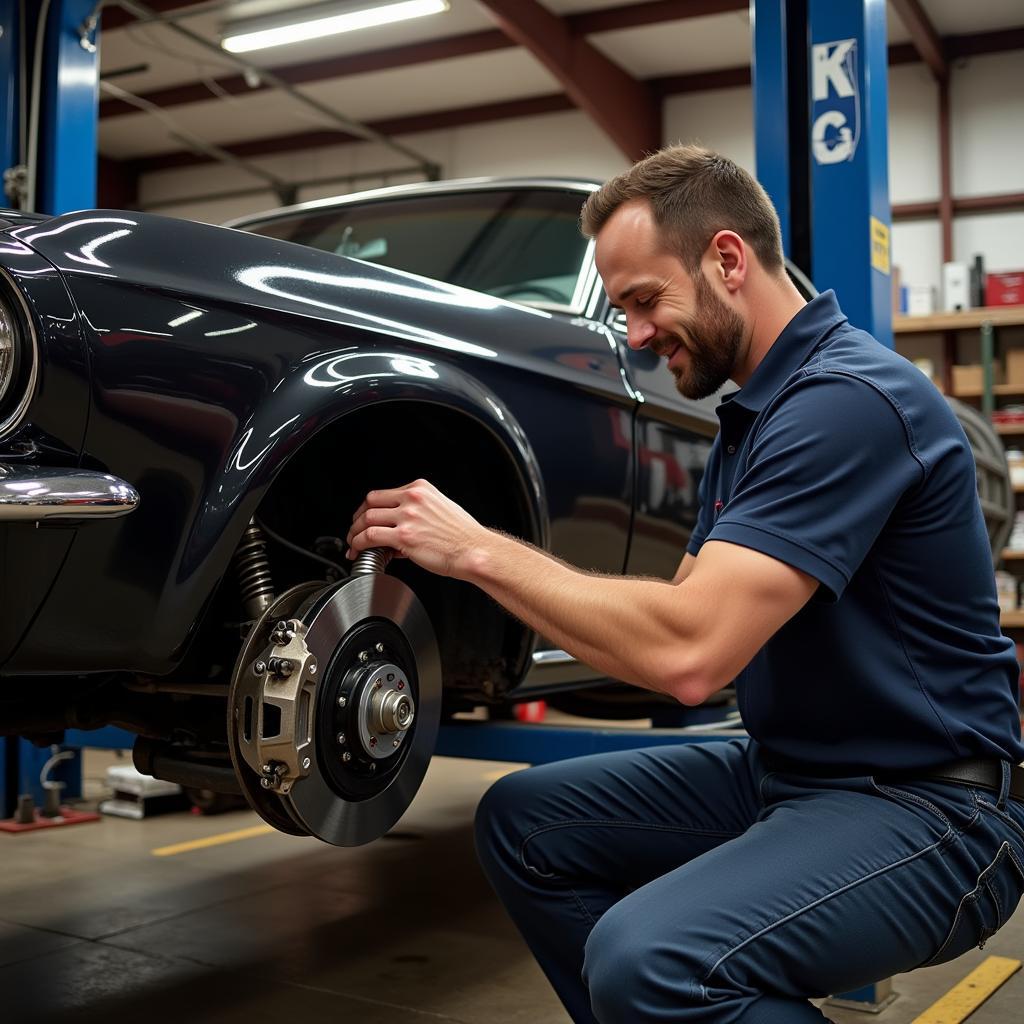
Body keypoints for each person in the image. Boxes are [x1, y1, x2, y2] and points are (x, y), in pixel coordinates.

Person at [346, 145, 1024, 1023]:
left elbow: (691, 654)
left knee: (653, 960)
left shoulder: (849, 400)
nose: (633, 334)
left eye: (642, 300)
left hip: (936, 811)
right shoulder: (752, 419)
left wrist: (478, 550)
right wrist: (486, 573)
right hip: (790, 774)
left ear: (728, 260)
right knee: (524, 824)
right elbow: (664, 635)